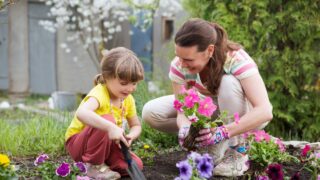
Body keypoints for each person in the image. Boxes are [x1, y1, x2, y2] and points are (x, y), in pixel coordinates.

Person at [142, 18, 273, 176]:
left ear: (209, 51)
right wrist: (185, 128)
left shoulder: (235, 59)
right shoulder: (179, 64)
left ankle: (237, 151)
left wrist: (222, 132)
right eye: (179, 57)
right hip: (209, 110)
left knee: (228, 83)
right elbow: (181, 109)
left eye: (188, 59)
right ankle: (207, 144)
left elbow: (265, 111)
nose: (181, 64)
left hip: (244, 113)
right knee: (151, 112)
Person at [65, 47, 144, 179]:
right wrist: (110, 127)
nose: (130, 88)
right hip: (79, 144)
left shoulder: (127, 99)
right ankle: (91, 166)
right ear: (107, 77)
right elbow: (81, 113)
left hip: (107, 145)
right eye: (124, 83)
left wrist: (131, 136)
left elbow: (136, 125)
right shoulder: (100, 93)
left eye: (134, 83)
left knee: (135, 164)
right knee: (107, 120)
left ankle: (103, 165)